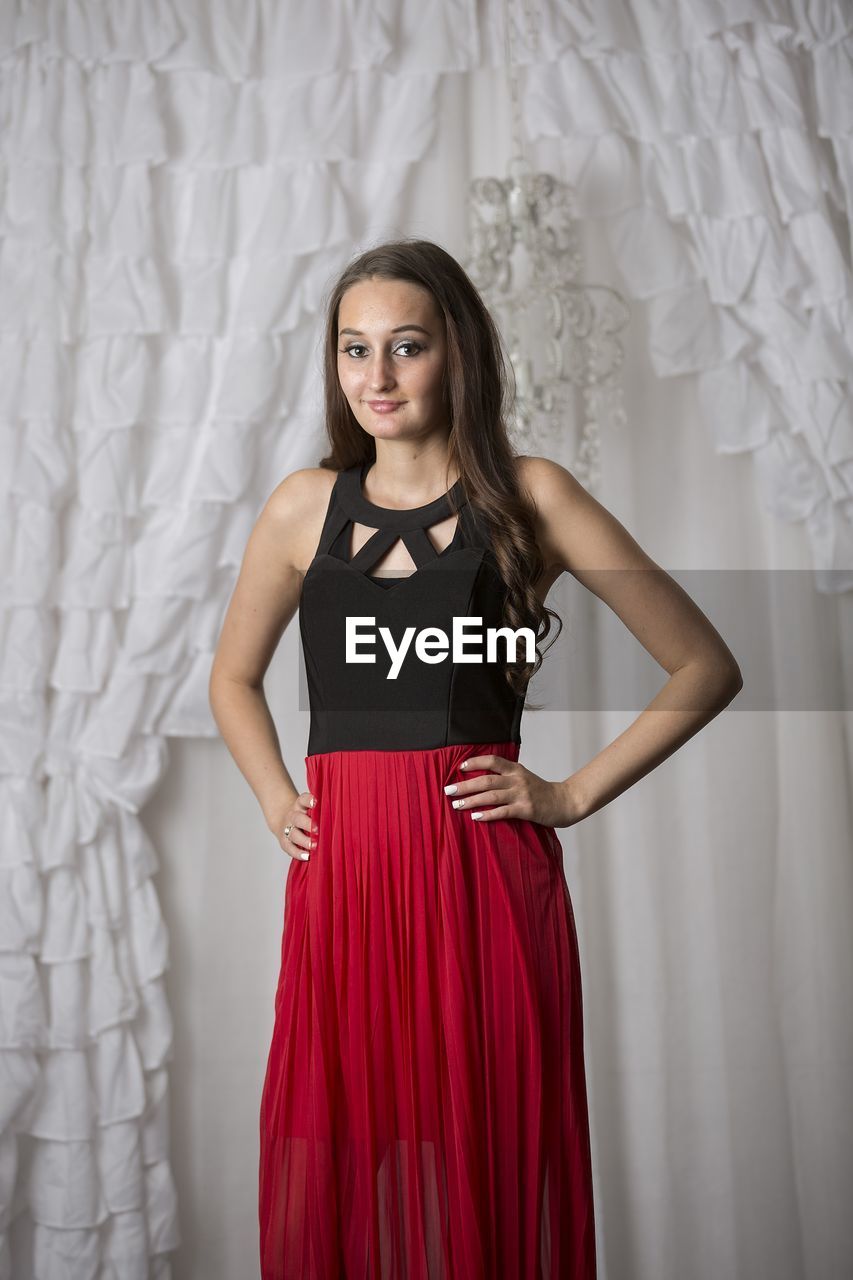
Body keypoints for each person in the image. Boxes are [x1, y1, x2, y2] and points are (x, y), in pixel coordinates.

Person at [208, 238, 742, 1278]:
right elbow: (232, 680)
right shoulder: (298, 506)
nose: (375, 376)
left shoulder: (530, 496)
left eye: (404, 347)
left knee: (485, 1156)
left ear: (457, 352)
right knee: (346, 1153)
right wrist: (279, 797)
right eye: (353, 350)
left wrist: (571, 792)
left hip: (481, 880)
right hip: (348, 882)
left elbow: (702, 665)